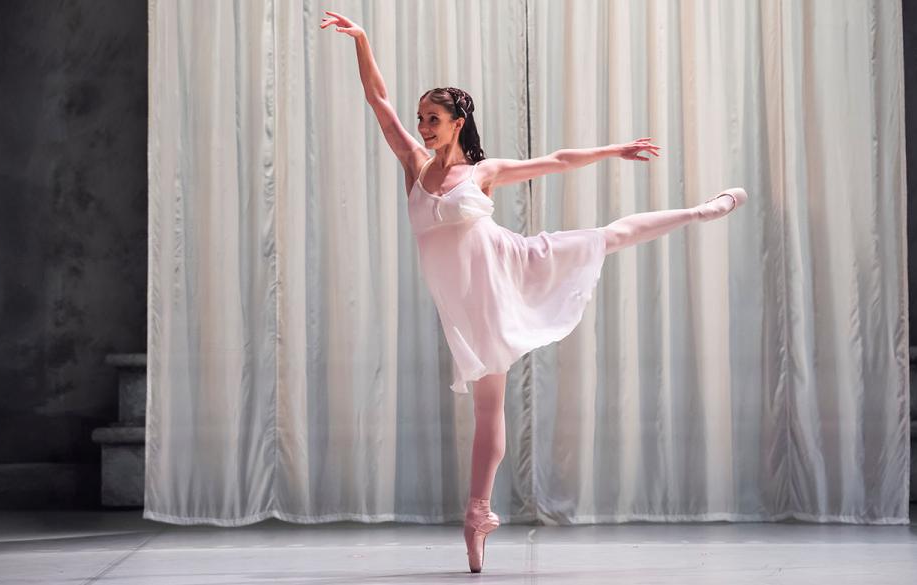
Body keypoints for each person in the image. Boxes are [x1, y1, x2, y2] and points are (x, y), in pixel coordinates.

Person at [319, 10, 746, 573]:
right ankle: (478, 515)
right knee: (487, 409)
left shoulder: (481, 172)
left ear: (458, 122)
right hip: (466, 304)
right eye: (421, 118)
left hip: (507, 271)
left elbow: (555, 162)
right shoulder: (414, 165)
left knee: (604, 238)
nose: (422, 127)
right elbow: (378, 100)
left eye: (433, 119)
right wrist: (362, 41)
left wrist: (613, 151)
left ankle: (700, 211)